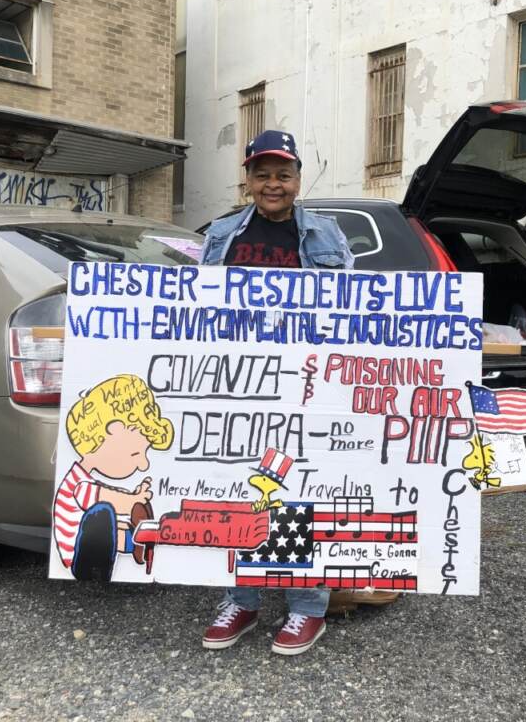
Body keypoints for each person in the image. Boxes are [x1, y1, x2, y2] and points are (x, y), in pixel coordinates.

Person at [198, 130, 353, 656]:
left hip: (306, 386)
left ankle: (307, 607)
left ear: (297, 180)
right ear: (248, 180)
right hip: (237, 385)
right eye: (262, 174)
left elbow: (355, 311)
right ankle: (241, 600)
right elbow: (195, 310)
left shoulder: (327, 236)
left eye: (282, 174)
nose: (273, 184)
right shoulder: (220, 235)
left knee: (302, 489)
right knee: (237, 487)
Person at [54, 374, 174, 581]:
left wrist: (133, 497)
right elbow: (100, 496)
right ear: (113, 430)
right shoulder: (77, 484)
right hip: (80, 557)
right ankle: (136, 540)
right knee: (103, 513)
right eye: (136, 454)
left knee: (110, 521)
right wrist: (132, 502)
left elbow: (105, 492)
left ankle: (137, 541)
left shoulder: (86, 479)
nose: (144, 464)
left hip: (91, 549)